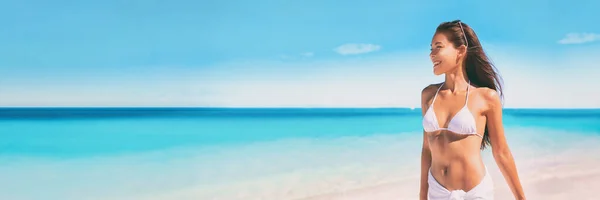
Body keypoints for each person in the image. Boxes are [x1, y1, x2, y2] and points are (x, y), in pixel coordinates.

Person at [419, 20, 526, 200]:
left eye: (438, 47)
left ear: (460, 51)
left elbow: (501, 152)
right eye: (431, 49)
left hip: (474, 194)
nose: (432, 54)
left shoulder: (486, 97)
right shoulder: (429, 95)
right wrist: (422, 195)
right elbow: (426, 150)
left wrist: (521, 198)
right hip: (437, 192)